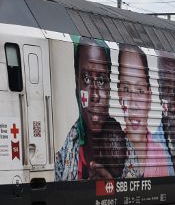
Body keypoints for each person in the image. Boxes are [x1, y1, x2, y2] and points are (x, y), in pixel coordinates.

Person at [54, 39, 128, 180]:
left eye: (101, 81)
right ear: (77, 85)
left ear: (109, 88)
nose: (94, 95)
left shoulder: (129, 154)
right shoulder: (62, 159)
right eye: (86, 79)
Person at [118, 46, 171, 178]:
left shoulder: (159, 155)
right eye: (126, 89)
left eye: (140, 91)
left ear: (149, 97)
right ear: (119, 96)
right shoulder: (112, 148)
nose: (133, 104)